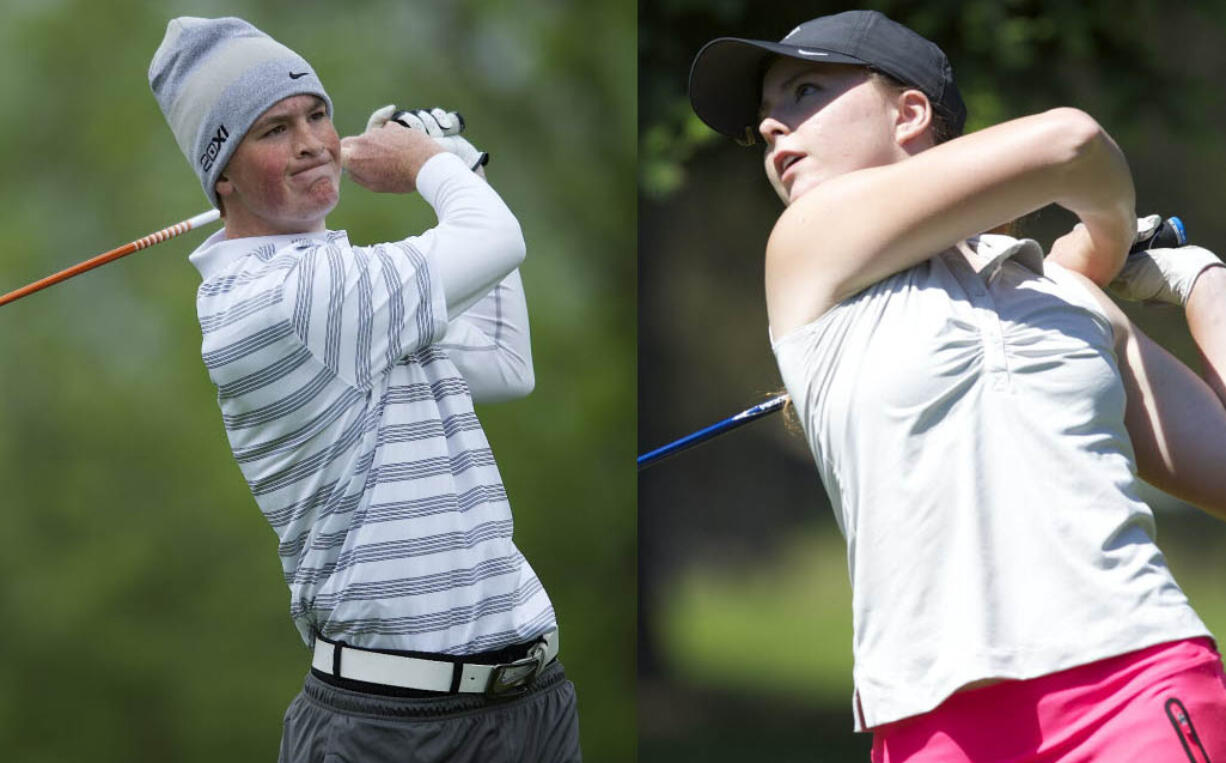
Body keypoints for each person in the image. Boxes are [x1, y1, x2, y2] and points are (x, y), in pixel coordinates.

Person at [689, 9, 1226, 760]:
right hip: (931, 726)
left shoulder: (1068, 295)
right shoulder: (807, 251)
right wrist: (1106, 241)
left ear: (909, 112)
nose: (774, 126)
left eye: (803, 91)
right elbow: (1069, 144)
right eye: (763, 119)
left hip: (1134, 682)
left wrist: (1201, 283)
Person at [148, 16, 580, 762]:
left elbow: (507, 363)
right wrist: (429, 163)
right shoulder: (288, 300)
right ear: (222, 175)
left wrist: (460, 170)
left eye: (317, 114)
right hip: (397, 727)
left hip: (527, 707)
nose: (312, 141)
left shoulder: (354, 300)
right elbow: (497, 238)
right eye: (274, 130)